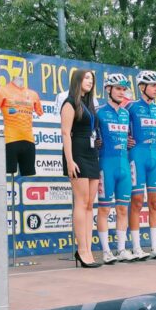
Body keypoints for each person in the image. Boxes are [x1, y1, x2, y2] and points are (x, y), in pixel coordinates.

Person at [126, 70, 156, 260]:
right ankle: (136, 247)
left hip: (155, 158)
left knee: (155, 203)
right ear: (142, 87)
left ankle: (155, 247)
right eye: (153, 85)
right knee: (136, 201)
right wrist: (124, 140)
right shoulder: (131, 107)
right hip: (137, 156)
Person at [60, 69, 101, 268]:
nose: (90, 81)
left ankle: (88, 249)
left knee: (90, 204)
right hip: (77, 154)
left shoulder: (90, 104)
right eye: (86, 78)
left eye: (92, 79)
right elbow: (65, 133)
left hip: (91, 153)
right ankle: (82, 250)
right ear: (77, 80)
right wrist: (69, 161)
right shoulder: (69, 103)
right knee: (81, 202)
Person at [95, 73, 134, 264]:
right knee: (104, 209)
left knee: (123, 209)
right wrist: (95, 142)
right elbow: (90, 137)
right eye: (118, 88)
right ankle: (106, 251)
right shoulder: (98, 112)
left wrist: (130, 142)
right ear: (108, 89)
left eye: (123, 89)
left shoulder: (126, 113)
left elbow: (130, 138)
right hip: (106, 165)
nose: (121, 92)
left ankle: (121, 249)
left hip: (124, 165)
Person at [0, 73, 44, 176]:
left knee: (28, 173)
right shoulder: (1, 90)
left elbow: (40, 112)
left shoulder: (33, 94)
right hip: (11, 140)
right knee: (8, 172)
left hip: (29, 141)